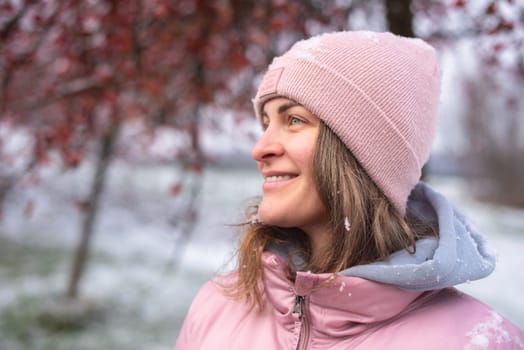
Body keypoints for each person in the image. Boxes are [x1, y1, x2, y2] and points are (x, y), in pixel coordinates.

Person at [174, 31, 524, 349]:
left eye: (294, 120)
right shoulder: (217, 306)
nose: (260, 149)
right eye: (266, 123)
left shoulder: (476, 341)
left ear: (361, 154)